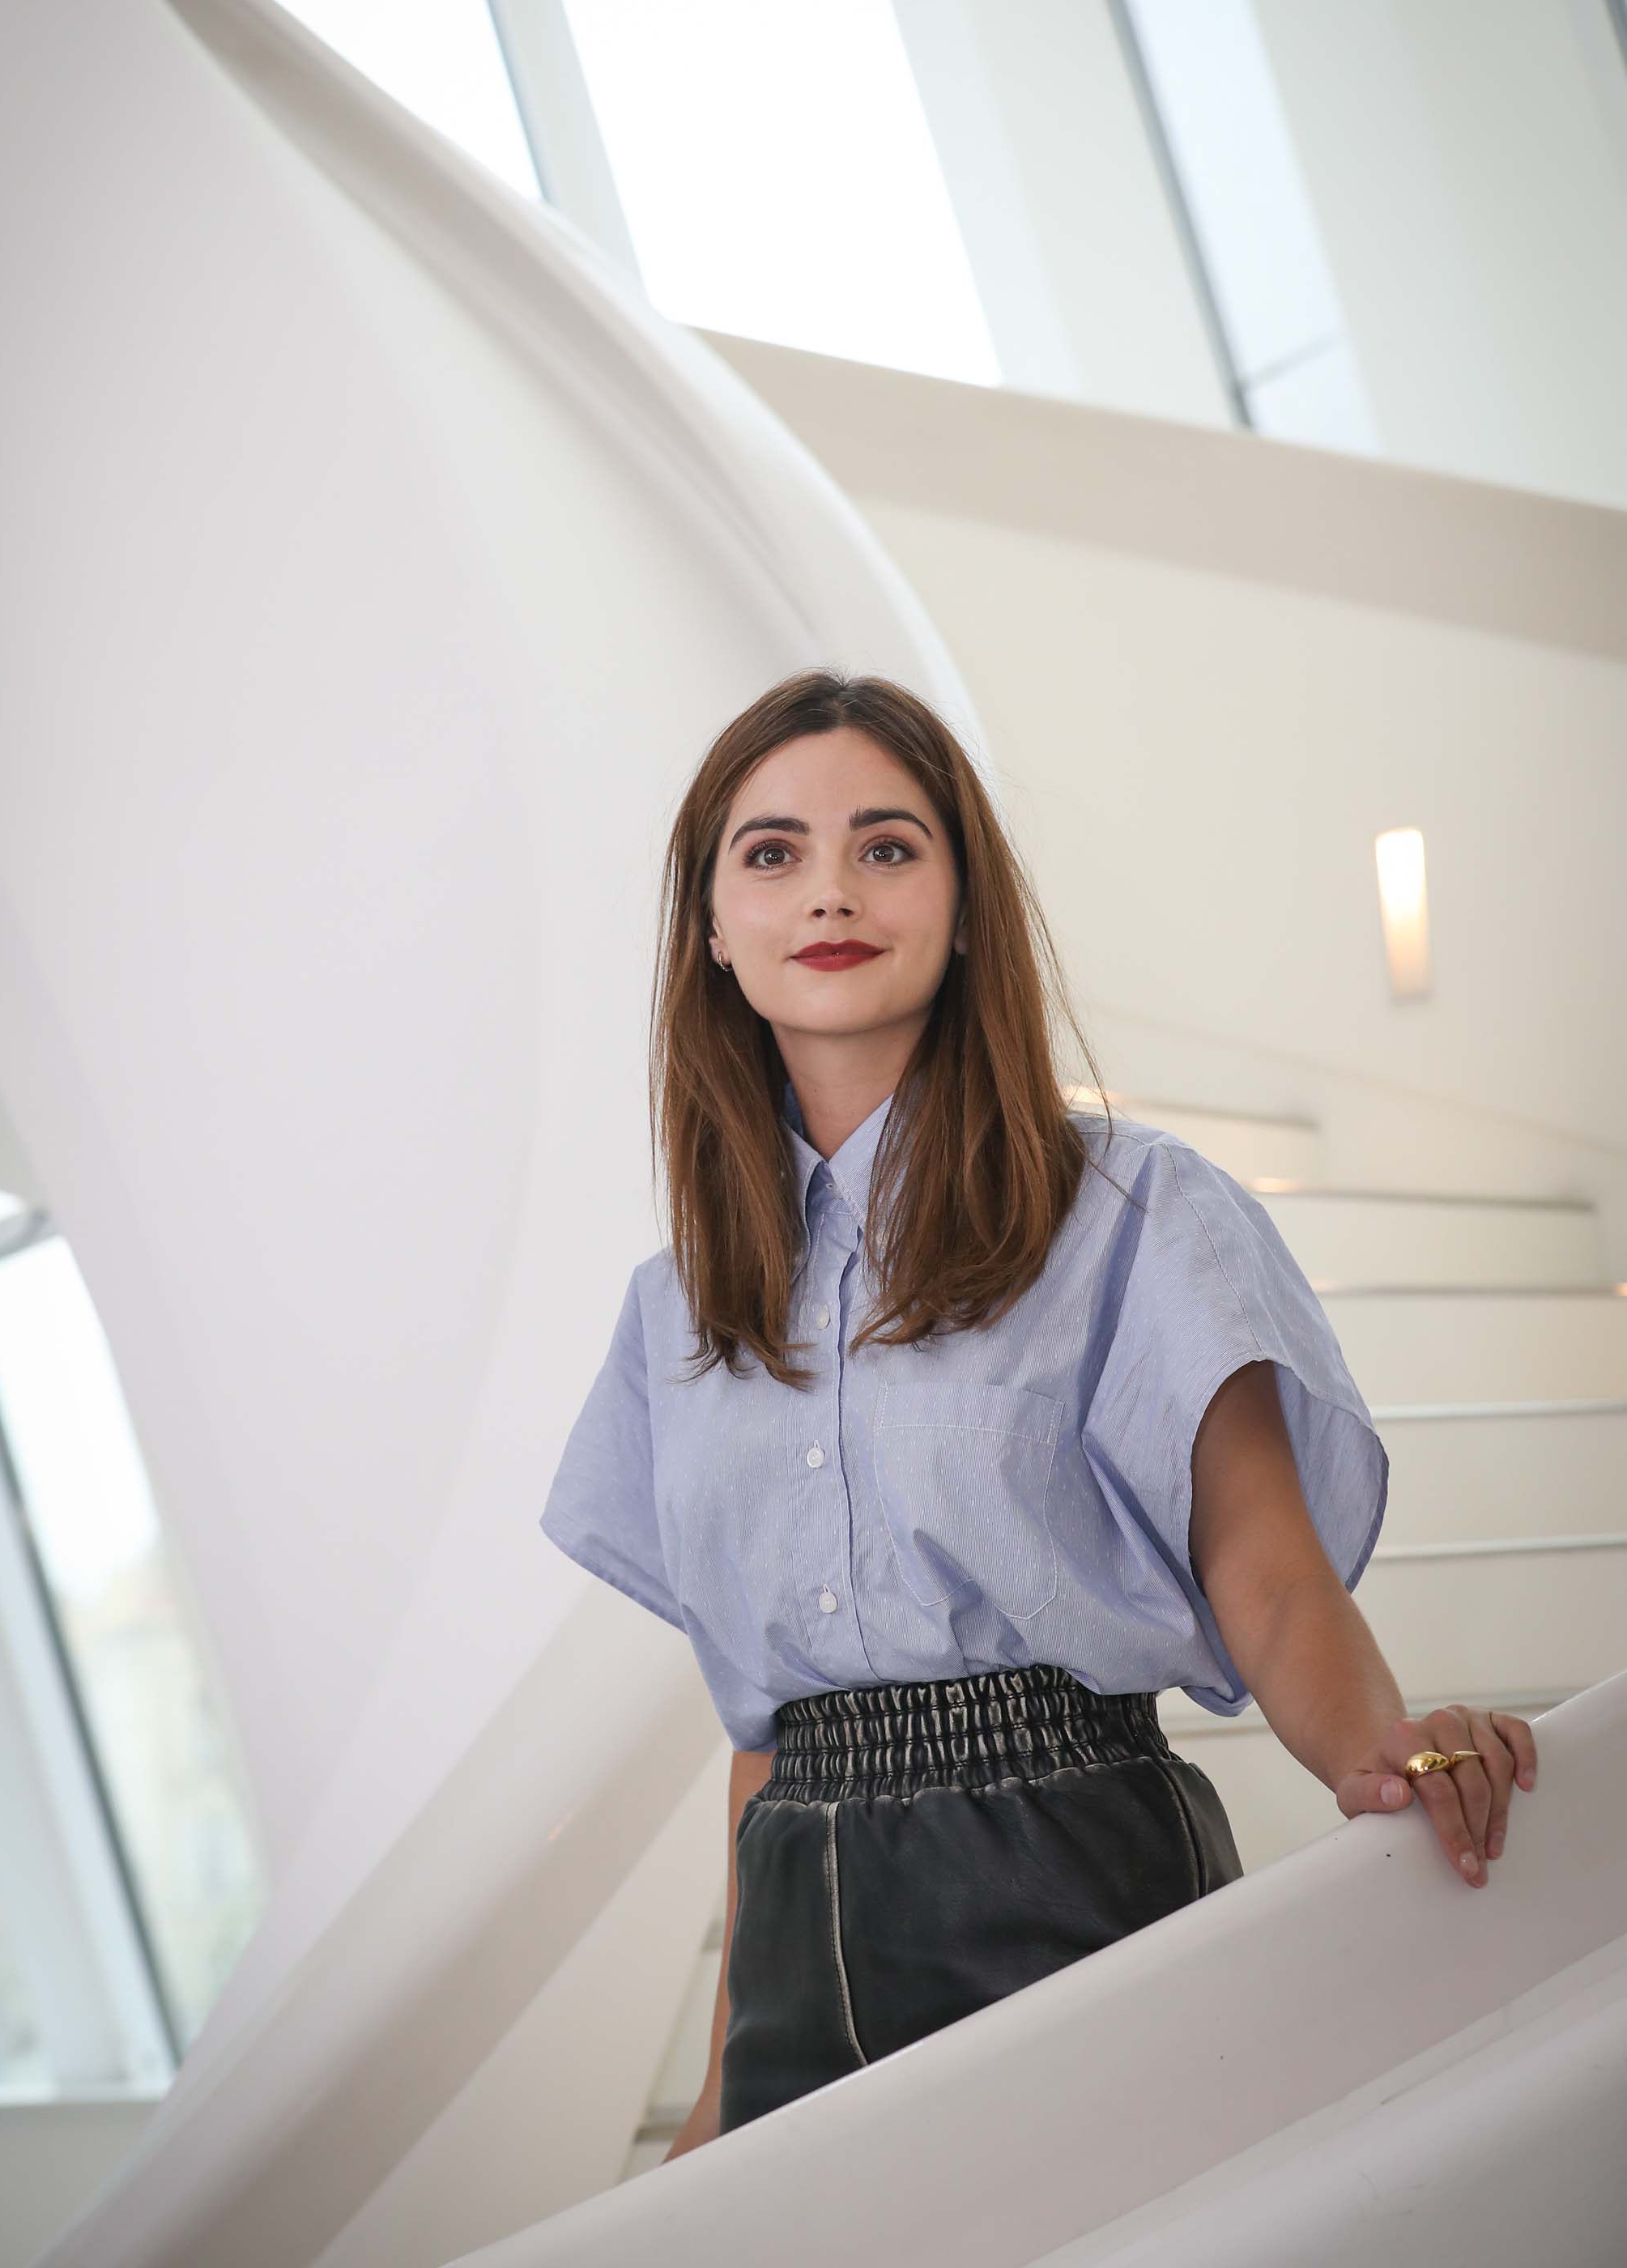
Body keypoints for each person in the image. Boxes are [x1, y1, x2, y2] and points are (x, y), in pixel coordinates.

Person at [539, 669, 1539, 2151]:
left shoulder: (1135, 1210)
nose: (830, 890)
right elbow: (764, 1721)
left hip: (1066, 1864)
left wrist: (1382, 1755)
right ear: (711, 930)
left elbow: (1263, 1571)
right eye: (772, 854)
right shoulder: (675, 1308)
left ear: (959, 903)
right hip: (794, 1937)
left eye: (887, 846)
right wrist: (717, 2084)